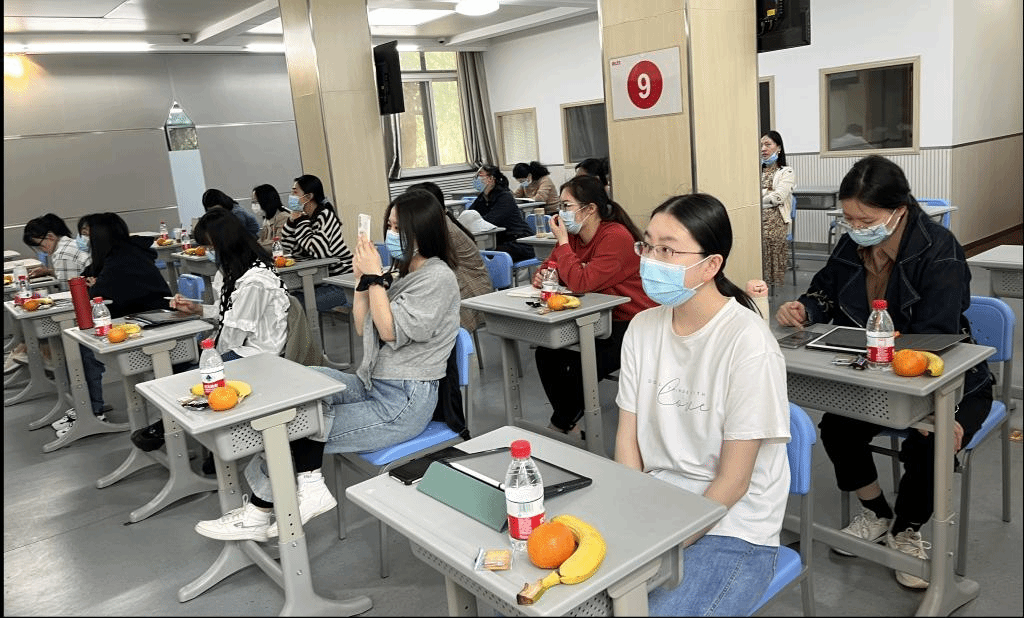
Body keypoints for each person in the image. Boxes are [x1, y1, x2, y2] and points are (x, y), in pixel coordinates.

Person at [775, 155, 994, 590]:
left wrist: (934, 402)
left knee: (930, 442)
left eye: (866, 219)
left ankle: (906, 530)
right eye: (849, 218)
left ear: (899, 209)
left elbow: (938, 334)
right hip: (875, 373)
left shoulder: (939, 248)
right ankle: (877, 513)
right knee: (837, 428)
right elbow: (825, 290)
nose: (855, 227)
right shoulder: (851, 244)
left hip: (946, 376)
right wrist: (805, 308)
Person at [193, 190, 461, 542]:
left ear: (423, 230)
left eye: (399, 228)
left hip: (404, 403)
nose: (391, 234)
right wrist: (364, 281)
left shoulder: (438, 278)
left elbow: (390, 331)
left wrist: (375, 278)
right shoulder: (406, 272)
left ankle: (260, 510)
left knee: (291, 428)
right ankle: (309, 483)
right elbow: (363, 325)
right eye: (390, 225)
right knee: (303, 384)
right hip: (372, 383)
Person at [615, 193, 791, 616]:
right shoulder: (642, 327)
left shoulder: (748, 343)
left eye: (667, 250)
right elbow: (627, 442)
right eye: (647, 245)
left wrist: (665, 547)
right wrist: (635, 516)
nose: (650, 260)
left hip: (732, 524)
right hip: (656, 504)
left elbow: (733, 482)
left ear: (711, 265)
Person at [531, 175, 656, 435]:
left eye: (566, 206)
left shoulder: (616, 236)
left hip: (631, 321)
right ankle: (568, 423)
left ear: (590, 209)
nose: (561, 213)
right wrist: (543, 275)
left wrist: (563, 246)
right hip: (594, 318)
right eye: (560, 206)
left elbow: (581, 282)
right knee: (546, 352)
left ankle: (561, 425)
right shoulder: (573, 236)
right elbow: (550, 268)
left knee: (583, 364)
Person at [56, 213, 171, 437]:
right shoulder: (114, 254)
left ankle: (92, 410)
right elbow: (89, 277)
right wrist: (94, 283)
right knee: (83, 343)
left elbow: (100, 292)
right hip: (136, 320)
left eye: (86, 234)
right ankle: (89, 408)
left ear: (101, 235)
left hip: (153, 324)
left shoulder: (124, 257)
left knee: (85, 349)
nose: (83, 239)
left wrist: (95, 285)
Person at [169, 208, 289, 360]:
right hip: (241, 346)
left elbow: (235, 332)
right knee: (191, 355)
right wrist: (198, 309)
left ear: (227, 244)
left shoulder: (256, 281)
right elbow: (228, 314)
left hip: (257, 353)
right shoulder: (234, 271)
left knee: (196, 363)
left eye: (210, 247)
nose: (208, 252)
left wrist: (213, 356)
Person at [4, 214, 92, 375]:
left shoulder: (63, 254)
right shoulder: (68, 245)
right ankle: (30, 352)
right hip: (88, 300)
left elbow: (70, 292)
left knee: (34, 320)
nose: (41, 250)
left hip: (85, 309)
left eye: (39, 245)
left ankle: (42, 355)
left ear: (50, 237)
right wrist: (49, 271)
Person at [407, 181, 493, 331]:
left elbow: (429, 267)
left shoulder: (443, 230)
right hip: (460, 287)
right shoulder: (437, 224)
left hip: (471, 293)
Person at [280, 174, 353, 313]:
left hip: (341, 284)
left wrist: (300, 222)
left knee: (293, 307)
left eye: (295, 192)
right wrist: (291, 221)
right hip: (319, 283)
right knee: (283, 301)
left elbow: (319, 252)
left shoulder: (325, 215)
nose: (291, 196)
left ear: (308, 197)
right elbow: (289, 248)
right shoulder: (304, 218)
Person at [467, 165, 535, 263]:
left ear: (491, 179)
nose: (476, 179)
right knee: (476, 253)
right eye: (476, 176)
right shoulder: (482, 198)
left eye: (480, 176)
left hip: (520, 242)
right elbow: (469, 215)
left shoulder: (505, 197)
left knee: (485, 256)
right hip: (501, 241)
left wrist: (473, 221)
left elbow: (490, 221)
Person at [759, 130, 796, 289]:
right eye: (761, 145)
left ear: (778, 148)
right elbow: (750, 196)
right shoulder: (756, 172)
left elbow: (778, 198)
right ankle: (757, 277)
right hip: (757, 217)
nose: (763, 149)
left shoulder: (786, 172)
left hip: (777, 220)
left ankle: (770, 281)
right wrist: (767, 194)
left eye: (768, 144)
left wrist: (760, 198)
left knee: (767, 237)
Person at [252, 184, 290, 252]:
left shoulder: (283, 217)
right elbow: (262, 241)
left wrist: (255, 247)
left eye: (256, 202)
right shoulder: (267, 219)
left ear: (266, 201)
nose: (254, 205)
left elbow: (279, 243)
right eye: (253, 202)